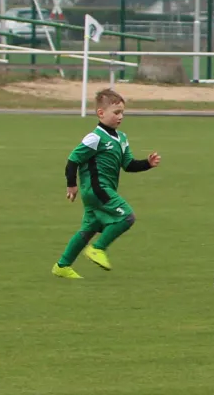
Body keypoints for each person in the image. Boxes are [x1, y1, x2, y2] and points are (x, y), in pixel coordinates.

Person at [53, 88, 158, 279]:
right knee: (127, 216)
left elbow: (128, 165)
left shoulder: (122, 138)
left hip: (100, 191)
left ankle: (62, 266)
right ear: (101, 113)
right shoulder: (95, 138)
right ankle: (98, 248)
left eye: (122, 113)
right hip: (97, 189)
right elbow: (73, 160)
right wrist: (71, 185)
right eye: (116, 112)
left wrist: (147, 164)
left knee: (89, 229)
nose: (120, 117)